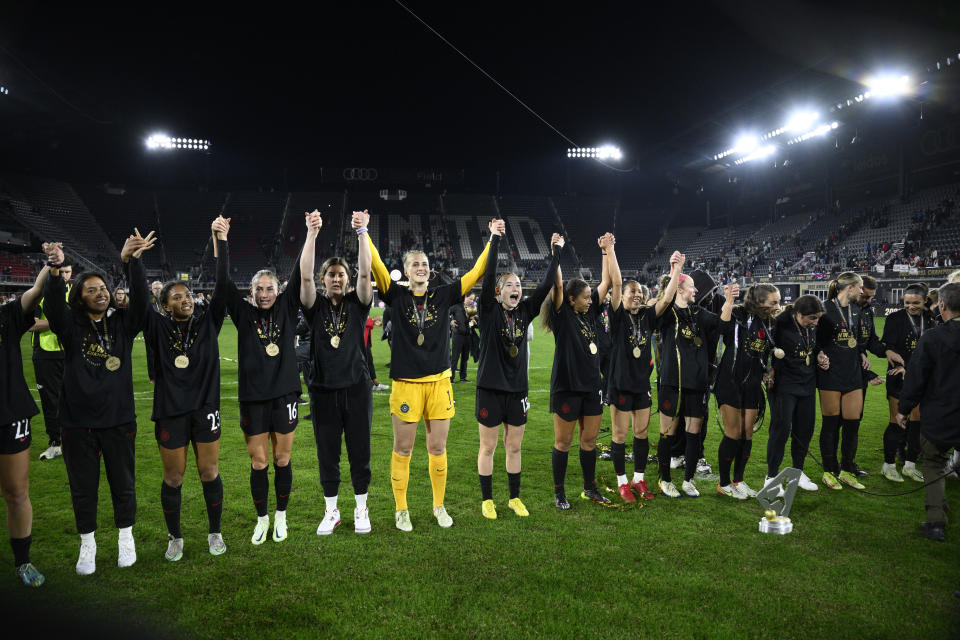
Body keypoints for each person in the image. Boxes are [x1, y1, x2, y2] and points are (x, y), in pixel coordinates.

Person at [367, 215, 496, 531]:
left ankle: (439, 505)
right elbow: (377, 267)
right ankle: (401, 509)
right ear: (406, 271)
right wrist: (364, 232)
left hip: (439, 383)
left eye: (424, 263)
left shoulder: (444, 294)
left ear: (430, 267)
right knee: (404, 449)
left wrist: (493, 238)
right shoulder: (396, 296)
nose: (421, 267)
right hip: (407, 385)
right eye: (414, 264)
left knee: (438, 448)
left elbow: (477, 271)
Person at [44, 230, 156, 575]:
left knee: (124, 483)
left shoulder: (123, 324)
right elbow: (51, 305)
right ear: (78, 296)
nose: (100, 293)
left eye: (103, 288)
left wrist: (131, 262)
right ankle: (87, 544)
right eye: (90, 289)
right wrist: (54, 268)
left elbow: (142, 303)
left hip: (119, 419)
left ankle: (126, 538)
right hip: (77, 422)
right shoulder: (69, 325)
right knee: (83, 486)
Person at [143, 218, 231, 561]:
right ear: (165, 305)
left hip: (205, 407)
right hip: (170, 411)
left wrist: (221, 242)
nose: (186, 299)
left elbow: (222, 284)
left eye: (189, 295)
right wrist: (132, 262)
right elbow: (138, 304)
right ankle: (175, 537)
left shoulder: (209, 321)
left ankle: (215, 531)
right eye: (177, 297)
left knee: (209, 471)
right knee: (174, 477)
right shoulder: (157, 328)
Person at [218, 214, 309, 545]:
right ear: (252, 291)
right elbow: (223, 281)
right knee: (259, 462)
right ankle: (262, 519)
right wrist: (222, 240)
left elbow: (301, 272)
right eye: (260, 288)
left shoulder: (287, 307)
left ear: (278, 289)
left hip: (284, 396)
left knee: (283, 459)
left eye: (270, 288)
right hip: (253, 398)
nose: (266, 293)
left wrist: (311, 233)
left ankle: (281, 517)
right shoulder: (242, 313)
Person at [475, 226, 561, 518]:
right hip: (490, 388)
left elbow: (547, 284)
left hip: (517, 390)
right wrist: (495, 239)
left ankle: (514, 498)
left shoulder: (525, 312)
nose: (515, 288)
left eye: (518, 285)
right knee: (488, 448)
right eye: (509, 285)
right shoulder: (488, 310)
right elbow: (487, 275)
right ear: (499, 292)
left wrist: (556, 252)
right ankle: (487, 500)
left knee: (514, 447)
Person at [304, 210, 375, 535]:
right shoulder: (315, 305)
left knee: (360, 451)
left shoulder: (358, 304)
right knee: (327, 452)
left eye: (341, 274)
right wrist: (312, 234)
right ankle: (331, 511)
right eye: (331, 274)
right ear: (324, 279)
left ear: (347, 279)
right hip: (323, 390)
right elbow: (304, 278)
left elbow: (366, 273)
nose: (336, 278)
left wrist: (362, 233)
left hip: (357, 389)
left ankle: (361, 508)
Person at [544, 233, 618, 509]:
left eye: (591, 297)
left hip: (591, 388)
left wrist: (605, 251)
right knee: (563, 443)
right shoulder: (562, 317)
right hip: (566, 388)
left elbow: (608, 282)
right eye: (585, 297)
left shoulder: (590, 315)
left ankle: (590, 489)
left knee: (589, 442)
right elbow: (558, 285)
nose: (590, 301)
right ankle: (560, 492)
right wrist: (556, 252)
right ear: (571, 299)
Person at [2, 242, 59, 586]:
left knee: (16, 491)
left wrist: (50, 263)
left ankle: (23, 563)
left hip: (9, 410)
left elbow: (37, 289)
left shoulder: (6, 316)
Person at [607, 253, 683, 502]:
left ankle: (639, 479)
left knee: (641, 433)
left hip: (641, 386)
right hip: (619, 385)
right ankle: (622, 482)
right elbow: (616, 284)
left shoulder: (647, 316)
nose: (637, 294)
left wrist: (676, 270)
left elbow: (667, 297)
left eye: (640, 291)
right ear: (623, 296)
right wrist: (610, 251)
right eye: (632, 291)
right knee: (619, 436)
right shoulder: (618, 316)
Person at [656, 271, 735, 498]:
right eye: (691, 287)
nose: (696, 291)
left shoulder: (699, 313)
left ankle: (688, 480)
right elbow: (661, 301)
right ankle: (666, 479)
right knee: (667, 434)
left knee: (694, 433)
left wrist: (729, 302)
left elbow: (723, 326)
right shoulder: (667, 313)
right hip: (673, 383)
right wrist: (675, 272)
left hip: (698, 383)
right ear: (679, 289)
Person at [896, 282, 960, 542]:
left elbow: (916, 378)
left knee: (933, 462)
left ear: (941, 305)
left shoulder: (933, 337)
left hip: (942, 415)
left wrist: (903, 408)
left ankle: (935, 522)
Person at [714, 284, 781, 499]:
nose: (777, 307)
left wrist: (768, 368)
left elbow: (766, 350)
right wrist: (729, 300)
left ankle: (738, 480)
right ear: (759, 302)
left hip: (752, 383)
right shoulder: (738, 314)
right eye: (773, 303)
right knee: (733, 433)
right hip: (729, 381)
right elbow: (722, 329)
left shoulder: (770, 322)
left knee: (746, 433)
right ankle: (724, 483)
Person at [764, 295, 827, 493]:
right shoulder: (780, 323)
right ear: (798, 314)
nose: (816, 322)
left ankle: (797, 473)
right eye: (811, 318)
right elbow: (766, 347)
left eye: (817, 318)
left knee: (805, 430)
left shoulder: (812, 325)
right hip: (784, 384)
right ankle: (771, 477)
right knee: (781, 430)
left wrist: (820, 354)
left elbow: (813, 344)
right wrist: (768, 369)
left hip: (807, 383)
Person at [816, 272, 870, 490]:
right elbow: (814, 340)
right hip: (830, 374)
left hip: (853, 374)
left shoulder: (857, 310)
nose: (862, 291)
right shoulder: (824, 309)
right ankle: (830, 470)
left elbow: (855, 340)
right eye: (860, 287)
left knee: (852, 424)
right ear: (849, 288)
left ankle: (847, 470)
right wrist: (819, 354)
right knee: (830, 425)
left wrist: (862, 354)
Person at [880, 283, 932, 483]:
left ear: (925, 300)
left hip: (923, 378)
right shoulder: (895, 319)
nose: (911, 306)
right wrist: (904, 368)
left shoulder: (931, 319)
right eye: (907, 303)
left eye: (916, 303)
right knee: (897, 422)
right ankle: (889, 465)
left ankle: (910, 465)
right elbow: (891, 350)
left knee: (917, 423)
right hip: (899, 378)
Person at [28, 260, 72, 461]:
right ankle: (55, 443)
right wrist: (60, 320)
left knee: (76, 398)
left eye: (68, 272)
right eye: (61, 271)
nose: (64, 275)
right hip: (45, 354)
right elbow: (32, 324)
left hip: (72, 352)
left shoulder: (76, 292)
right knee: (50, 401)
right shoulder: (39, 295)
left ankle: (77, 440)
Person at [853, 274, 892, 477]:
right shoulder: (843, 312)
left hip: (860, 373)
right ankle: (831, 466)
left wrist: (887, 352)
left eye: (870, 298)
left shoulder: (866, 312)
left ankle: (848, 463)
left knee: (855, 420)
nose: (868, 301)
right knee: (836, 423)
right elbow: (847, 348)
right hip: (842, 374)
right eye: (865, 297)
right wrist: (868, 372)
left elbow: (870, 342)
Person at [450, 293, 474, 382]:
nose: (471, 301)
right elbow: (445, 313)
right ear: (465, 297)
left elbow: (472, 321)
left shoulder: (472, 308)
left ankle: (463, 377)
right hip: (458, 335)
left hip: (467, 335)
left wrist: (473, 321)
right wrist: (450, 321)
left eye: (473, 299)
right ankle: (451, 378)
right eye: (470, 299)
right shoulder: (456, 306)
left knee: (465, 357)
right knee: (455, 357)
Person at [145, 280, 163, 382]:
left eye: (159, 288)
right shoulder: (147, 300)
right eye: (155, 288)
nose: (157, 290)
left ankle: (166, 373)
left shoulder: (167, 299)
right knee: (151, 354)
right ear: (152, 290)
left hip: (165, 330)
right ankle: (153, 376)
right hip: (151, 330)